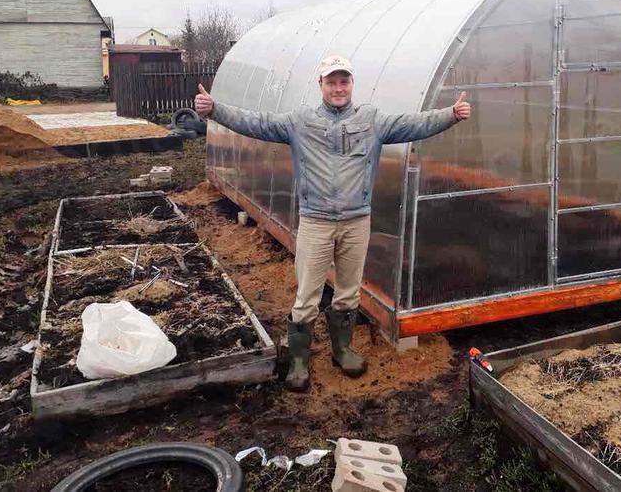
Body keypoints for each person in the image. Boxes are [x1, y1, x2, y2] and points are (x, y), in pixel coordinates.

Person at [195, 55, 471, 391]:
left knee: (348, 291)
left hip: (357, 221)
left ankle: (343, 349)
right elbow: (257, 122)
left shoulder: (372, 120)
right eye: (332, 82)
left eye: (344, 81)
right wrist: (215, 110)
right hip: (316, 222)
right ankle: (299, 359)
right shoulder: (300, 121)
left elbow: (414, 123)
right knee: (308, 294)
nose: (338, 88)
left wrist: (451, 115)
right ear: (321, 85)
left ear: (352, 84)